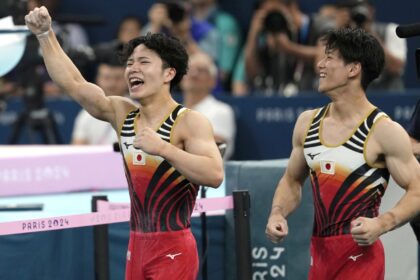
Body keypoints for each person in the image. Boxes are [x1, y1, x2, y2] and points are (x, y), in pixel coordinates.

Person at [25, 6, 224, 280]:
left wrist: (165, 149)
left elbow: (214, 175)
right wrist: (45, 35)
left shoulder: (189, 121)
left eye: (143, 62)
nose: (132, 68)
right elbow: (73, 83)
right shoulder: (123, 115)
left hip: (173, 248)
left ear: (168, 73)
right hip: (136, 245)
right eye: (129, 62)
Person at [265, 28, 420, 279]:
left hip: (360, 257)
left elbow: (418, 188)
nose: (320, 65)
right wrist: (277, 212)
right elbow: (292, 180)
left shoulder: (382, 130)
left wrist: (382, 223)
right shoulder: (307, 123)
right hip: (320, 255)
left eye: (329, 57)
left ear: (353, 69)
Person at [335, 0, 407, 91]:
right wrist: (338, 31)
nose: (359, 11)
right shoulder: (340, 33)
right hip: (351, 96)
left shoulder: (391, 30)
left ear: (372, 10)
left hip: (388, 95)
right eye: (354, 7)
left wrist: (370, 33)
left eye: (363, 6)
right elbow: (323, 66)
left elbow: (396, 67)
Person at [181, 52, 236, 159]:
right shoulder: (172, 111)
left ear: (213, 81)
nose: (193, 74)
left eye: (201, 70)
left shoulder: (221, 111)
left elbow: (212, 151)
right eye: (189, 69)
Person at [71, 60, 128, 145]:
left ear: (127, 79)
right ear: (98, 79)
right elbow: (77, 149)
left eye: (118, 78)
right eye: (107, 78)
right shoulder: (86, 115)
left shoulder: (139, 112)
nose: (112, 84)